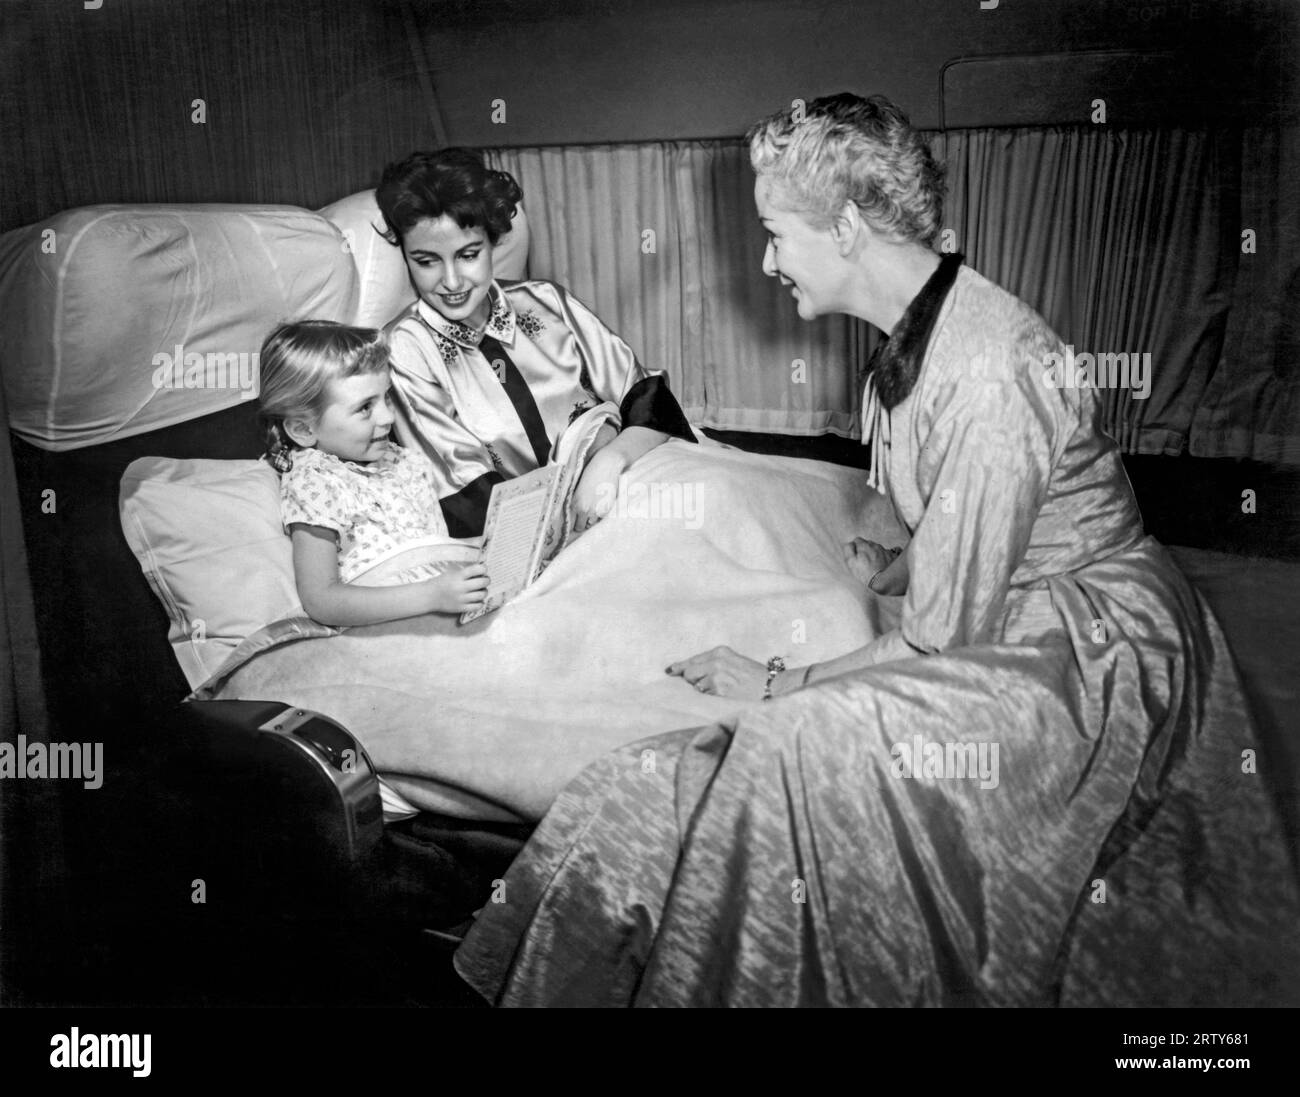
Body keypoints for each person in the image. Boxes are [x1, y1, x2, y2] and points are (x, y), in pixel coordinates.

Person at [451, 93, 1298, 1006]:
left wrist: (775, 679)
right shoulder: (918, 331)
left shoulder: (988, 367)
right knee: (667, 773)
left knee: (787, 750)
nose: (768, 260)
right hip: (1014, 603)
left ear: (847, 227)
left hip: (1098, 648)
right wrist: (884, 565)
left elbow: (945, 640)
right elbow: (939, 522)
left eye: (775, 232)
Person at [376, 148, 696, 538]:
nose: (453, 281)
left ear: (492, 243)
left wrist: (610, 461)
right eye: (427, 261)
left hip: (635, 469)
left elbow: (646, 400)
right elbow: (469, 495)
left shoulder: (545, 300)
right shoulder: (406, 349)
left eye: (468, 255)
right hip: (549, 532)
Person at [259, 320, 489, 626]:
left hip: (442, 610)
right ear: (304, 428)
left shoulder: (403, 464)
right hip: (386, 628)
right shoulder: (315, 481)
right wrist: (432, 595)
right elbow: (322, 599)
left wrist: (489, 546)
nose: (388, 416)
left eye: (387, 397)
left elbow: (434, 550)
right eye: (365, 407)